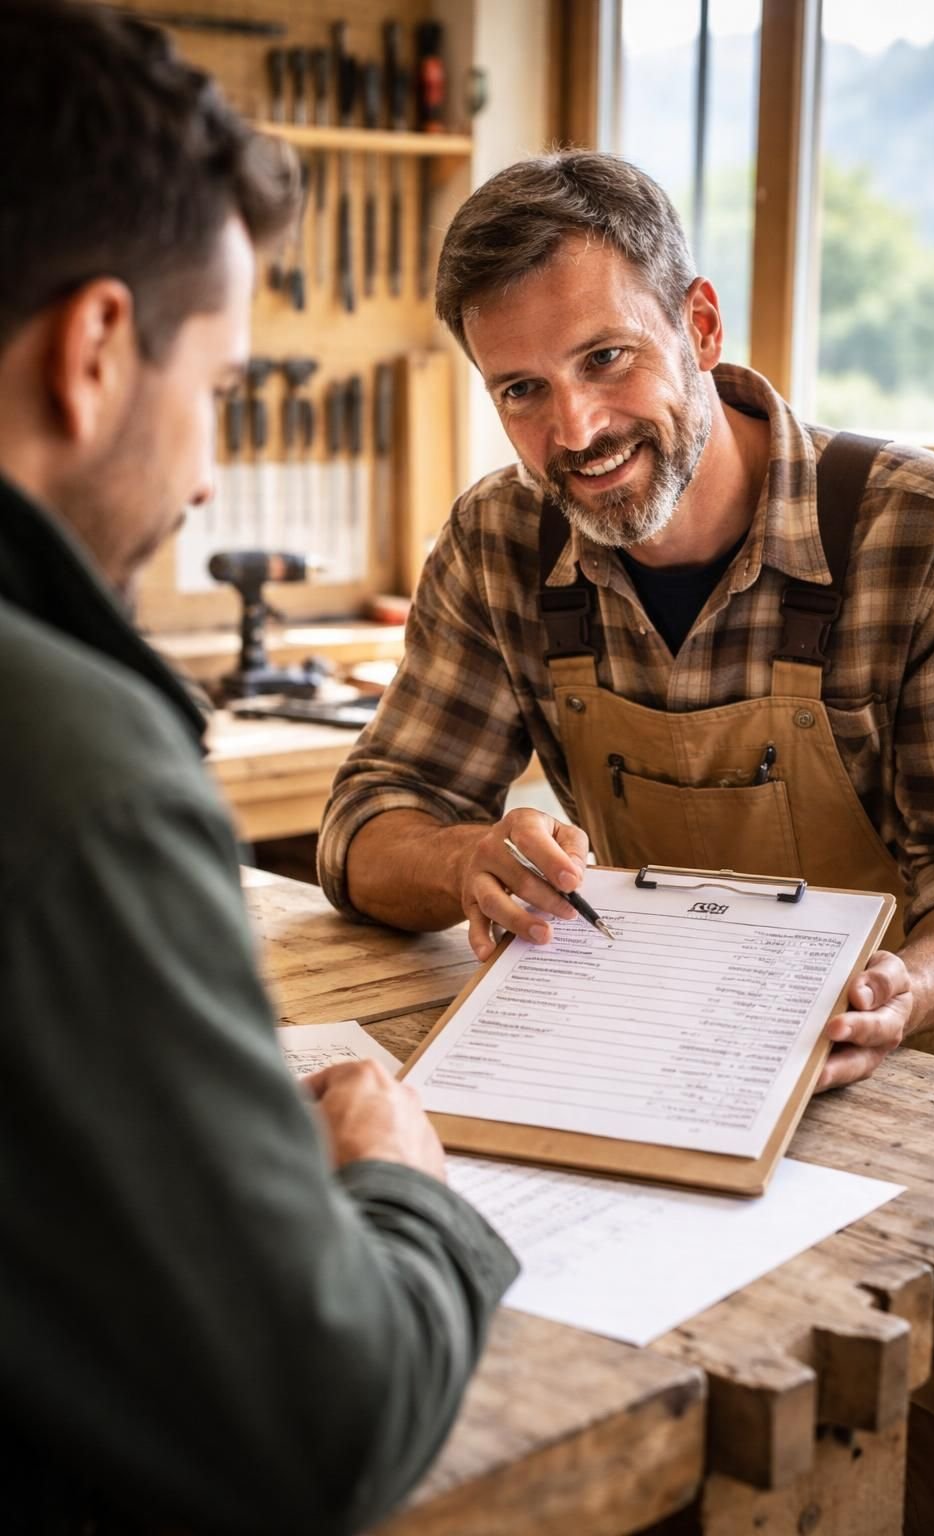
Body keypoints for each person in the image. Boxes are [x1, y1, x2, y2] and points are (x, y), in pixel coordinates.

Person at [0, 5, 516, 1533]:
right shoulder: (72, 767)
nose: (213, 472)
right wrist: (397, 1179)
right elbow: (318, 1428)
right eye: (220, 386)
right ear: (96, 350)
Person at [319, 149, 934, 1092]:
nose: (576, 431)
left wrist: (909, 989)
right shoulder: (500, 540)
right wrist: (465, 864)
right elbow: (364, 825)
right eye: (522, 389)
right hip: (661, 1061)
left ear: (700, 326)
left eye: (605, 359)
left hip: (930, 1074)